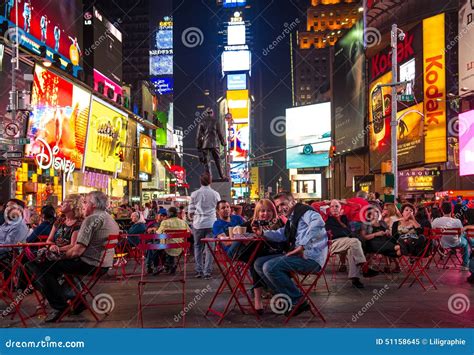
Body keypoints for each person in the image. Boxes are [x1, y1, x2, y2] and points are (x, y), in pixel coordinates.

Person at [27, 191, 120, 323]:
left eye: (85, 202)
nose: (83, 206)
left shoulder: (90, 220)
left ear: (93, 205)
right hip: (103, 265)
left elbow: (77, 251)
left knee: (38, 265)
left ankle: (60, 306)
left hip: (89, 264)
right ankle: (76, 300)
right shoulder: (110, 219)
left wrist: (58, 256)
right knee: (48, 265)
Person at [253, 192, 327, 316]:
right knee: (258, 263)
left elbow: (318, 223)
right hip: (299, 256)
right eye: (278, 206)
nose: (280, 208)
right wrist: (262, 233)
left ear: (293, 202)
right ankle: (284, 297)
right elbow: (282, 234)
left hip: (311, 259)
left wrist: (302, 245)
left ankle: (298, 301)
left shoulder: (305, 212)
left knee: (269, 267)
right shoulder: (292, 218)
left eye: (283, 204)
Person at [324, 199, 375, 288]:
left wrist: (345, 203)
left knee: (353, 247)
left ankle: (355, 279)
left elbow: (358, 207)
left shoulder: (344, 217)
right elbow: (314, 205)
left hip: (347, 241)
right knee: (355, 241)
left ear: (341, 208)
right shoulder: (325, 217)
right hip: (332, 243)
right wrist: (326, 202)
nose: (334, 208)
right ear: (329, 208)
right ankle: (364, 267)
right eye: (332, 206)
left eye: (337, 206)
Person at [188, 173, 220, 279]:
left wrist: (195, 217)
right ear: (210, 181)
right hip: (211, 223)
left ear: (200, 181)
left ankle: (199, 271)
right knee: (210, 248)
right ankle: (207, 272)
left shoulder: (194, 194)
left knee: (198, 247)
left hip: (198, 224)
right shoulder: (215, 194)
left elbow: (190, 213)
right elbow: (219, 209)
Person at [431, 202, 470, 270]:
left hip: (440, 244)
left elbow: (432, 233)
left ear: (441, 210)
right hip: (455, 243)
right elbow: (460, 234)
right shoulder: (457, 221)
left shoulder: (435, 221)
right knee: (466, 242)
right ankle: (465, 264)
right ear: (451, 210)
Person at [155, 207, 191, 275]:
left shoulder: (165, 222)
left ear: (169, 213)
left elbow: (158, 233)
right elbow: (189, 232)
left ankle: (160, 266)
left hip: (166, 247)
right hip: (180, 247)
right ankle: (168, 265)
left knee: (155, 246)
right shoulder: (183, 222)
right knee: (168, 245)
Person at [195, 108, 227, 180]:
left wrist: (199, 147)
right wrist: (223, 142)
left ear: (206, 113)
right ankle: (222, 176)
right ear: (212, 113)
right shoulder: (215, 121)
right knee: (218, 161)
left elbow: (198, 137)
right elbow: (220, 133)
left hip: (205, 145)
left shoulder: (202, 122)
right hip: (214, 144)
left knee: (207, 163)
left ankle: (209, 177)